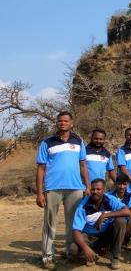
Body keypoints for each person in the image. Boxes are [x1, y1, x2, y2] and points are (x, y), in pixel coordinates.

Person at [36, 111, 90, 269]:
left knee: (73, 224)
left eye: (66, 121)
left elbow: (83, 165)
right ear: (56, 123)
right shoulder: (47, 142)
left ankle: (71, 252)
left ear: (71, 123)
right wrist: (40, 193)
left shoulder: (79, 141)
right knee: (49, 223)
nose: (63, 123)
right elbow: (41, 169)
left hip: (75, 188)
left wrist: (87, 186)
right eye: (60, 121)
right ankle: (47, 256)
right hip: (53, 188)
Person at [71, 178, 131, 270]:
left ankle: (115, 257)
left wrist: (105, 215)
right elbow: (75, 231)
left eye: (98, 189)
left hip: (107, 235)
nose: (95, 192)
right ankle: (91, 253)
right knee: (73, 249)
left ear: (103, 190)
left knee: (121, 221)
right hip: (90, 237)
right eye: (93, 189)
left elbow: (127, 212)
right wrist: (86, 248)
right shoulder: (83, 205)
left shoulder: (110, 199)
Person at [107, 174, 131, 249]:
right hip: (113, 221)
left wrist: (130, 224)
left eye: (124, 184)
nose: (122, 187)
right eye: (119, 184)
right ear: (115, 184)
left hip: (126, 219)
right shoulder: (108, 195)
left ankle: (128, 239)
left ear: (127, 185)